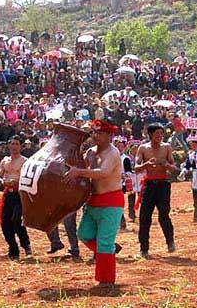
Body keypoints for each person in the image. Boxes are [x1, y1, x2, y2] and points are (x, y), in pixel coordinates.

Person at [64, 119, 124, 286]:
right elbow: (81, 168)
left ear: (109, 136)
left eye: (100, 133)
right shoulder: (90, 151)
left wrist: (79, 171)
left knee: (104, 243)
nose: (96, 135)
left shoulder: (113, 153)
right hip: (93, 201)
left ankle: (106, 281)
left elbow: (103, 173)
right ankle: (109, 250)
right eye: (94, 132)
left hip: (111, 201)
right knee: (84, 234)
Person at [134, 123, 177, 258]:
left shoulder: (167, 148)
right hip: (149, 185)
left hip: (163, 185)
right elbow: (136, 167)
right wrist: (147, 164)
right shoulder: (143, 148)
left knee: (164, 215)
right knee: (144, 217)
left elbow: (174, 168)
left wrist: (166, 164)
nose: (159, 136)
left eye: (161, 133)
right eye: (156, 133)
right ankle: (144, 248)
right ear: (150, 135)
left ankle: (170, 241)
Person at [0, 136, 32, 260]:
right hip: (8, 193)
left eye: (16, 143)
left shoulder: (25, 161)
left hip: (19, 194)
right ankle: (13, 248)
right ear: (8, 146)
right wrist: (2, 181)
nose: (14, 146)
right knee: (5, 222)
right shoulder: (4, 161)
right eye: (12, 143)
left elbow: (28, 178)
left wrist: (16, 182)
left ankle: (26, 245)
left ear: (20, 146)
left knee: (17, 220)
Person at [180, 135, 197, 223]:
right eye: (191, 145)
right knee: (196, 197)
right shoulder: (191, 155)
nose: (192, 147)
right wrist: (183, 172)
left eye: (194, 145)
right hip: (195, 176)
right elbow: (188, 166)